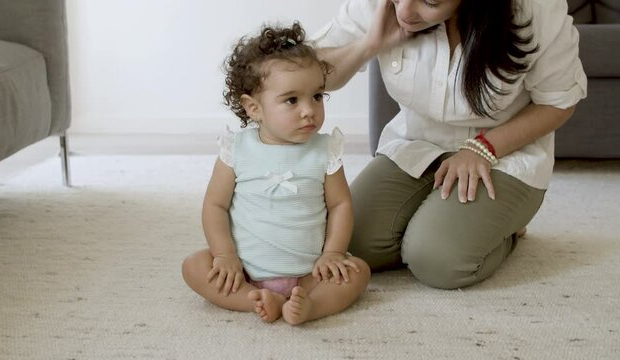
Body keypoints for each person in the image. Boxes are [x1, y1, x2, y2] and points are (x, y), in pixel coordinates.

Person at [311, 0, 586, 289]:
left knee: (437, 260)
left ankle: (506, 229)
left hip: (502, 154)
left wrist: (482, 148)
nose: (405, 12)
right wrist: (369, 44)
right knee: (344, 240)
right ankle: (441, 223)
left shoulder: (535, 7)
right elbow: (306, 71)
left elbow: (558, 102)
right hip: (416, 146)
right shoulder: (380, 5)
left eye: (430, 2)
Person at [181, 22, 370, 325]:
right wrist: (225, 255)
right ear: (254, 108)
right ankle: (251, 299)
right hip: (245, 270)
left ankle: (312, 306)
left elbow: (340, 205)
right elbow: (215, 206)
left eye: (318, 96)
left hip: (310, 274)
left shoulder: (325, 150)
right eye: (292, 100)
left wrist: (333, 253)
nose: (309, 110)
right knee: (194, 266)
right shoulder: (236, 149)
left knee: (357, 271)